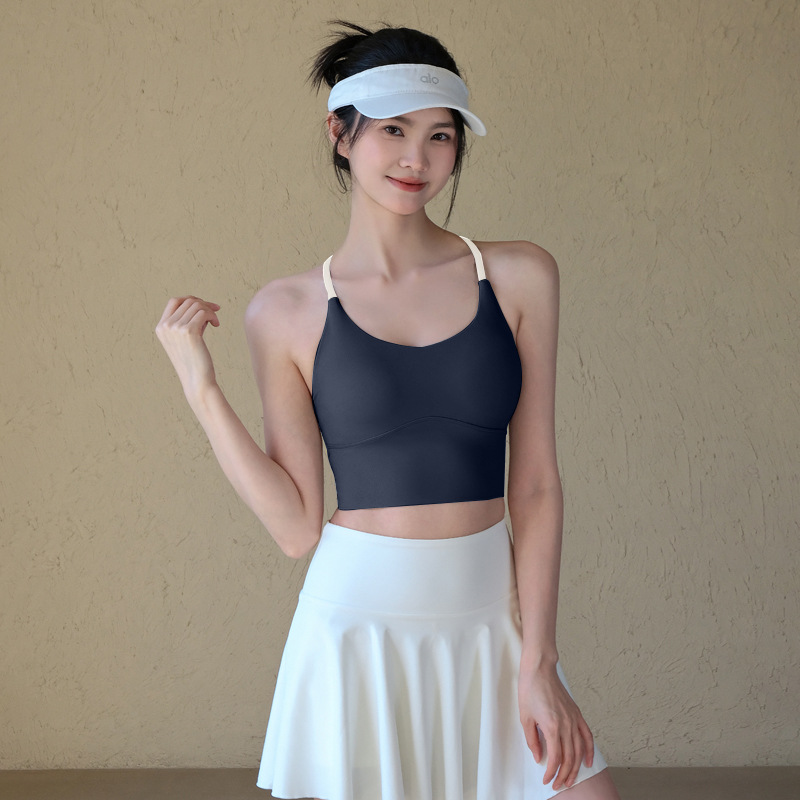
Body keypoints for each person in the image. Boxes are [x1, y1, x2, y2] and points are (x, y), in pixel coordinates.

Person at [155, 19, 622, 800]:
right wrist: (201, 387)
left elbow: (537, 484)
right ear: (341, 135)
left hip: (495, 618)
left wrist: (538, 659)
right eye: (394, 131)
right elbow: (296, 528)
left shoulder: (519, 276)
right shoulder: (287, 311)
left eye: (441, 136)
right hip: (358, 627)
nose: (417, 158)